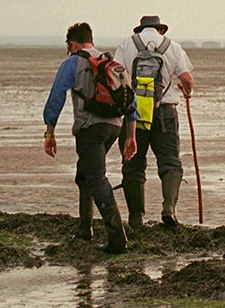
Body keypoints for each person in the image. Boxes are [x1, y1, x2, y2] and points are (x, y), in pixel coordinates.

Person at [42, 22, 134, 253]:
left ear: (72, 44)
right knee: (84, 174)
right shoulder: (112, 64)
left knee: (96, 178)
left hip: (89, 129)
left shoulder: (73, 63)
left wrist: (49, 132)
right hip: (114, 126)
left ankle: (117, 239)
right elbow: (131, 103)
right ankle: (85, 229)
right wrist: (130, 136)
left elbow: (56, 98)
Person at [113, 14, 195, 232]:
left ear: (140, 30)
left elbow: (117, 74)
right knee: (170, 162)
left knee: (133, 162)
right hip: (165, 113)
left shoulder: (126, 44)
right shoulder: (173, 47)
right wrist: (186, 92)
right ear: (160, 30)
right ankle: (169, 209)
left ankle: (136, 218)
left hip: (134, 112)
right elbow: (187, 79)